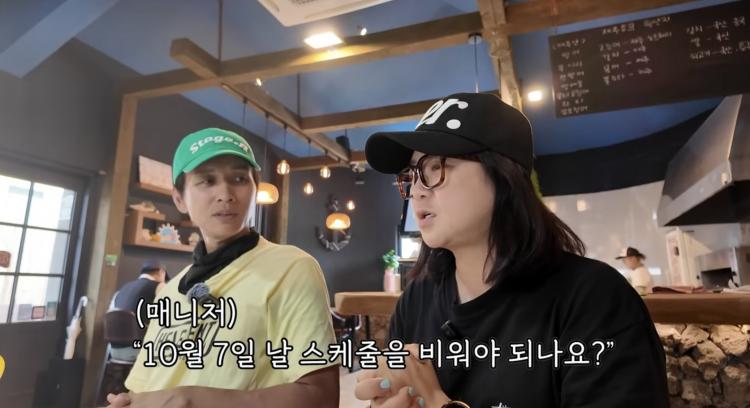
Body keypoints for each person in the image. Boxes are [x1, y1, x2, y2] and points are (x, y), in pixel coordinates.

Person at [355, 93, 669, 407]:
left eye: (435, 167)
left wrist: (438, 403)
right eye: (411, 175)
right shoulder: (416, 300)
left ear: (502, 174)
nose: (417, 190)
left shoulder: (594, 300)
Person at [107, 128, 339, 408]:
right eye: (207, 181)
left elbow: (321, 397)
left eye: (239, 179)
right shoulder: (170, 292)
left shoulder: (292, 269)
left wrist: (190, 400)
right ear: (179, 198)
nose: (225, 194)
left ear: (255, 189)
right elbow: (143, 388)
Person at [108, 260, 167, 362]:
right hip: (141, 351)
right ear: (161, 272)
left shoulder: (122, 290)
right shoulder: (160, 287)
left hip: (114, 351)